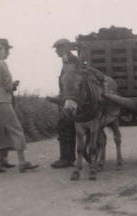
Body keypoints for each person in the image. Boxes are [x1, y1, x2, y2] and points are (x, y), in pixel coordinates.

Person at [0, 40, 38, 174]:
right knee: (16, 129)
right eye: (3, 51)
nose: (5, 53)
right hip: (2, 100)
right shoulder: (2, 64)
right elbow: (8, 86)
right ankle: (22, 162)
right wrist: (14, 85)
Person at [50, 38, 78, 168]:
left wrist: (65, 98)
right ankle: (68, 157)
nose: (56, 51)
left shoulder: (70, 61)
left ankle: (67, 159)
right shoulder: (68, 60)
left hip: (71, 99)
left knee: (65, 126)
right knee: (66, 127)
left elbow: (70, 83)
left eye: (58, 48)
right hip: (67, 98)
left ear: (65, 48)